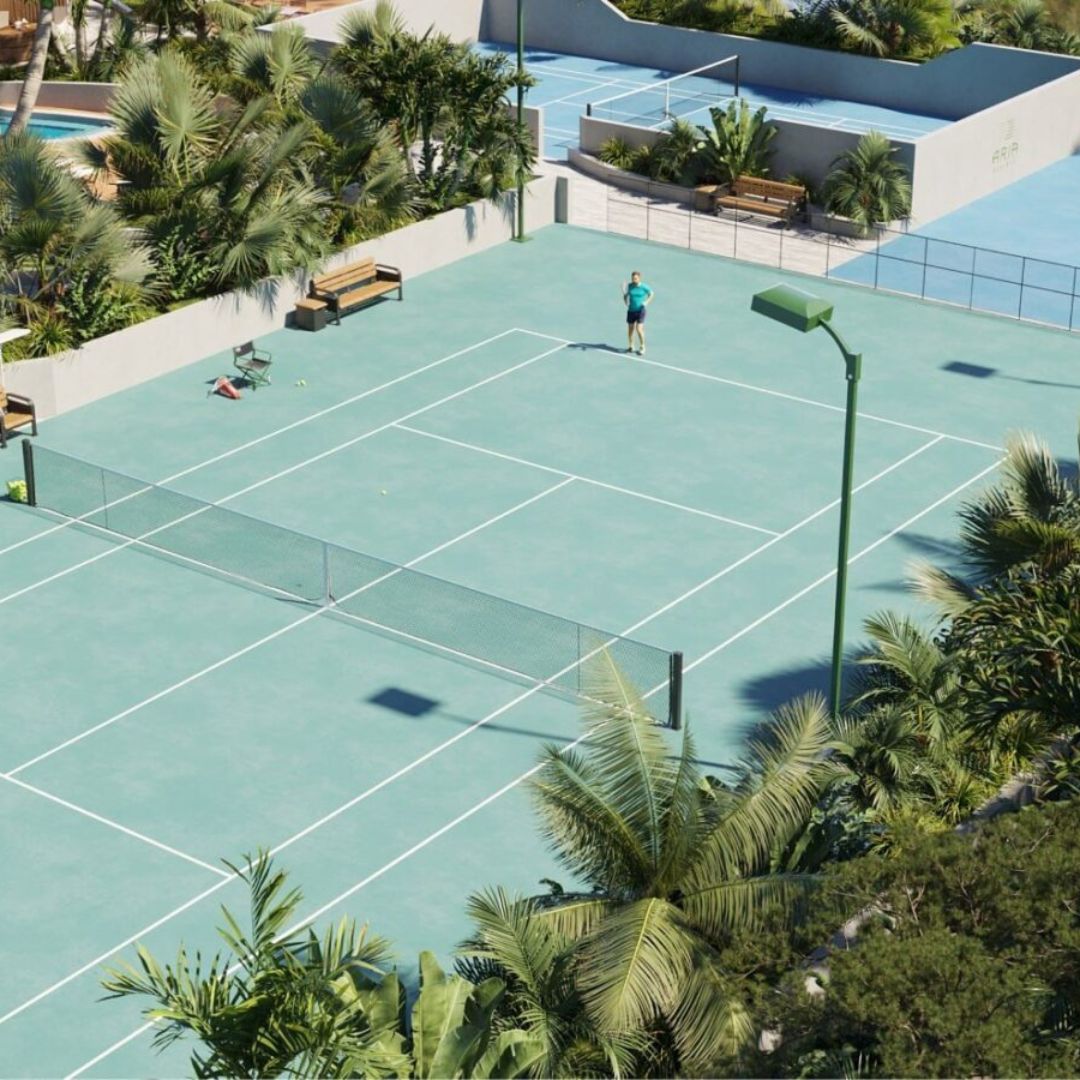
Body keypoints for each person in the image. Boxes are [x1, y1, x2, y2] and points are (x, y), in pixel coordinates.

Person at [622, 270, 653, 355]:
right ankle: (631, 346)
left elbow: (651, 294)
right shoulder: (629, 286)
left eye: (635, 278)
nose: (634, 280)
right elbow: (625, 298)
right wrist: (625, 300)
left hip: (640, 311)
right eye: (632, 278)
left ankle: (642, 346)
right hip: (631, 311)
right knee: (630, 329)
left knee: (639, 329)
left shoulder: (644, 287)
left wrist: (646, 302)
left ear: (639, 278)